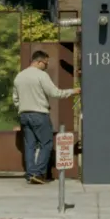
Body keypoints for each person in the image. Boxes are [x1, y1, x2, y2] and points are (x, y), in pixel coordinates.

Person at [13, 50, 73, 184]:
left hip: (24, 115)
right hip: (39, 114)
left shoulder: (19, 76)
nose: (46, 66)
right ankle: (39, 174)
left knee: (29, 146)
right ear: (39, 62)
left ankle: (30, 174)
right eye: (46, 63)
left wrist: (23, 109)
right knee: (47, 143)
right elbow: (55, 93)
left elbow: (15, 99)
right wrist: (72, 91)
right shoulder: (41, 75)